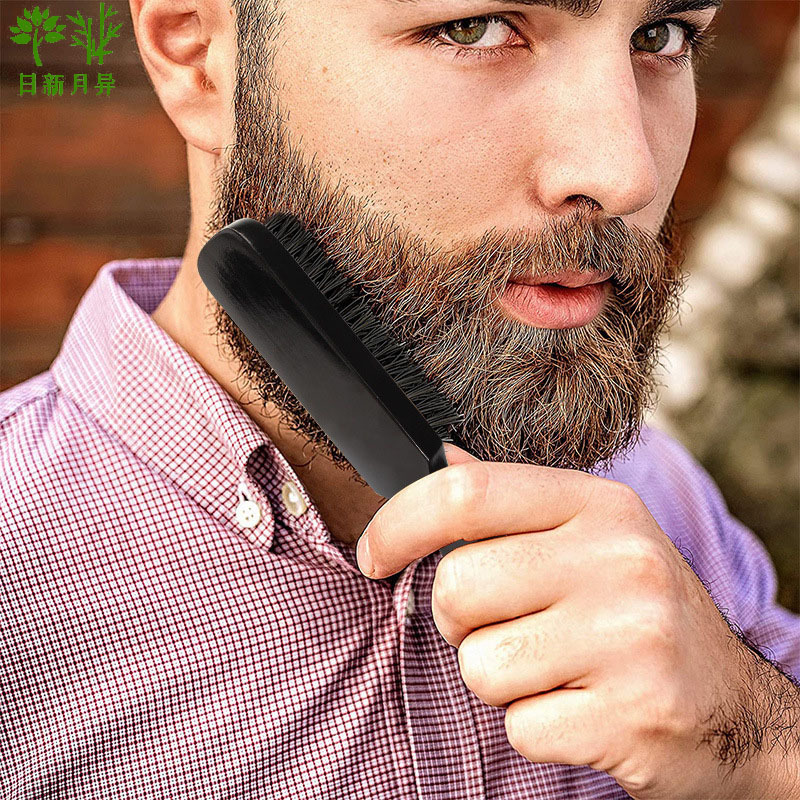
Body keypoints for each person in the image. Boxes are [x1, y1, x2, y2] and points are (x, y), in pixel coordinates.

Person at [1, 0, 798, 797]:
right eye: (475, 29)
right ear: (196, 55)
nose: (626, 175)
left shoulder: (656, 496)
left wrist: (757, 743)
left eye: (661, 37)